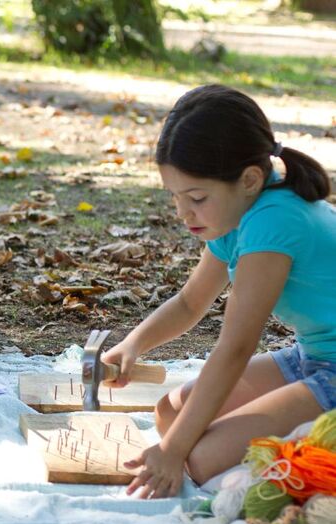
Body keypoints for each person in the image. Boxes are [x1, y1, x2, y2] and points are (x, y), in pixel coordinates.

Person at [103, 84, 336, 499]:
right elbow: (192, 301)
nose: (182, 212)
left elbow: (235, 347)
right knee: (169, 415)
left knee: (198, 459)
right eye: (175, 197)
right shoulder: (237, 210)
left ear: (248, 179)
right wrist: (133, 345)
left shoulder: (273, 220)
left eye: (195, 197)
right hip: (313, 356)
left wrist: (173, 453)